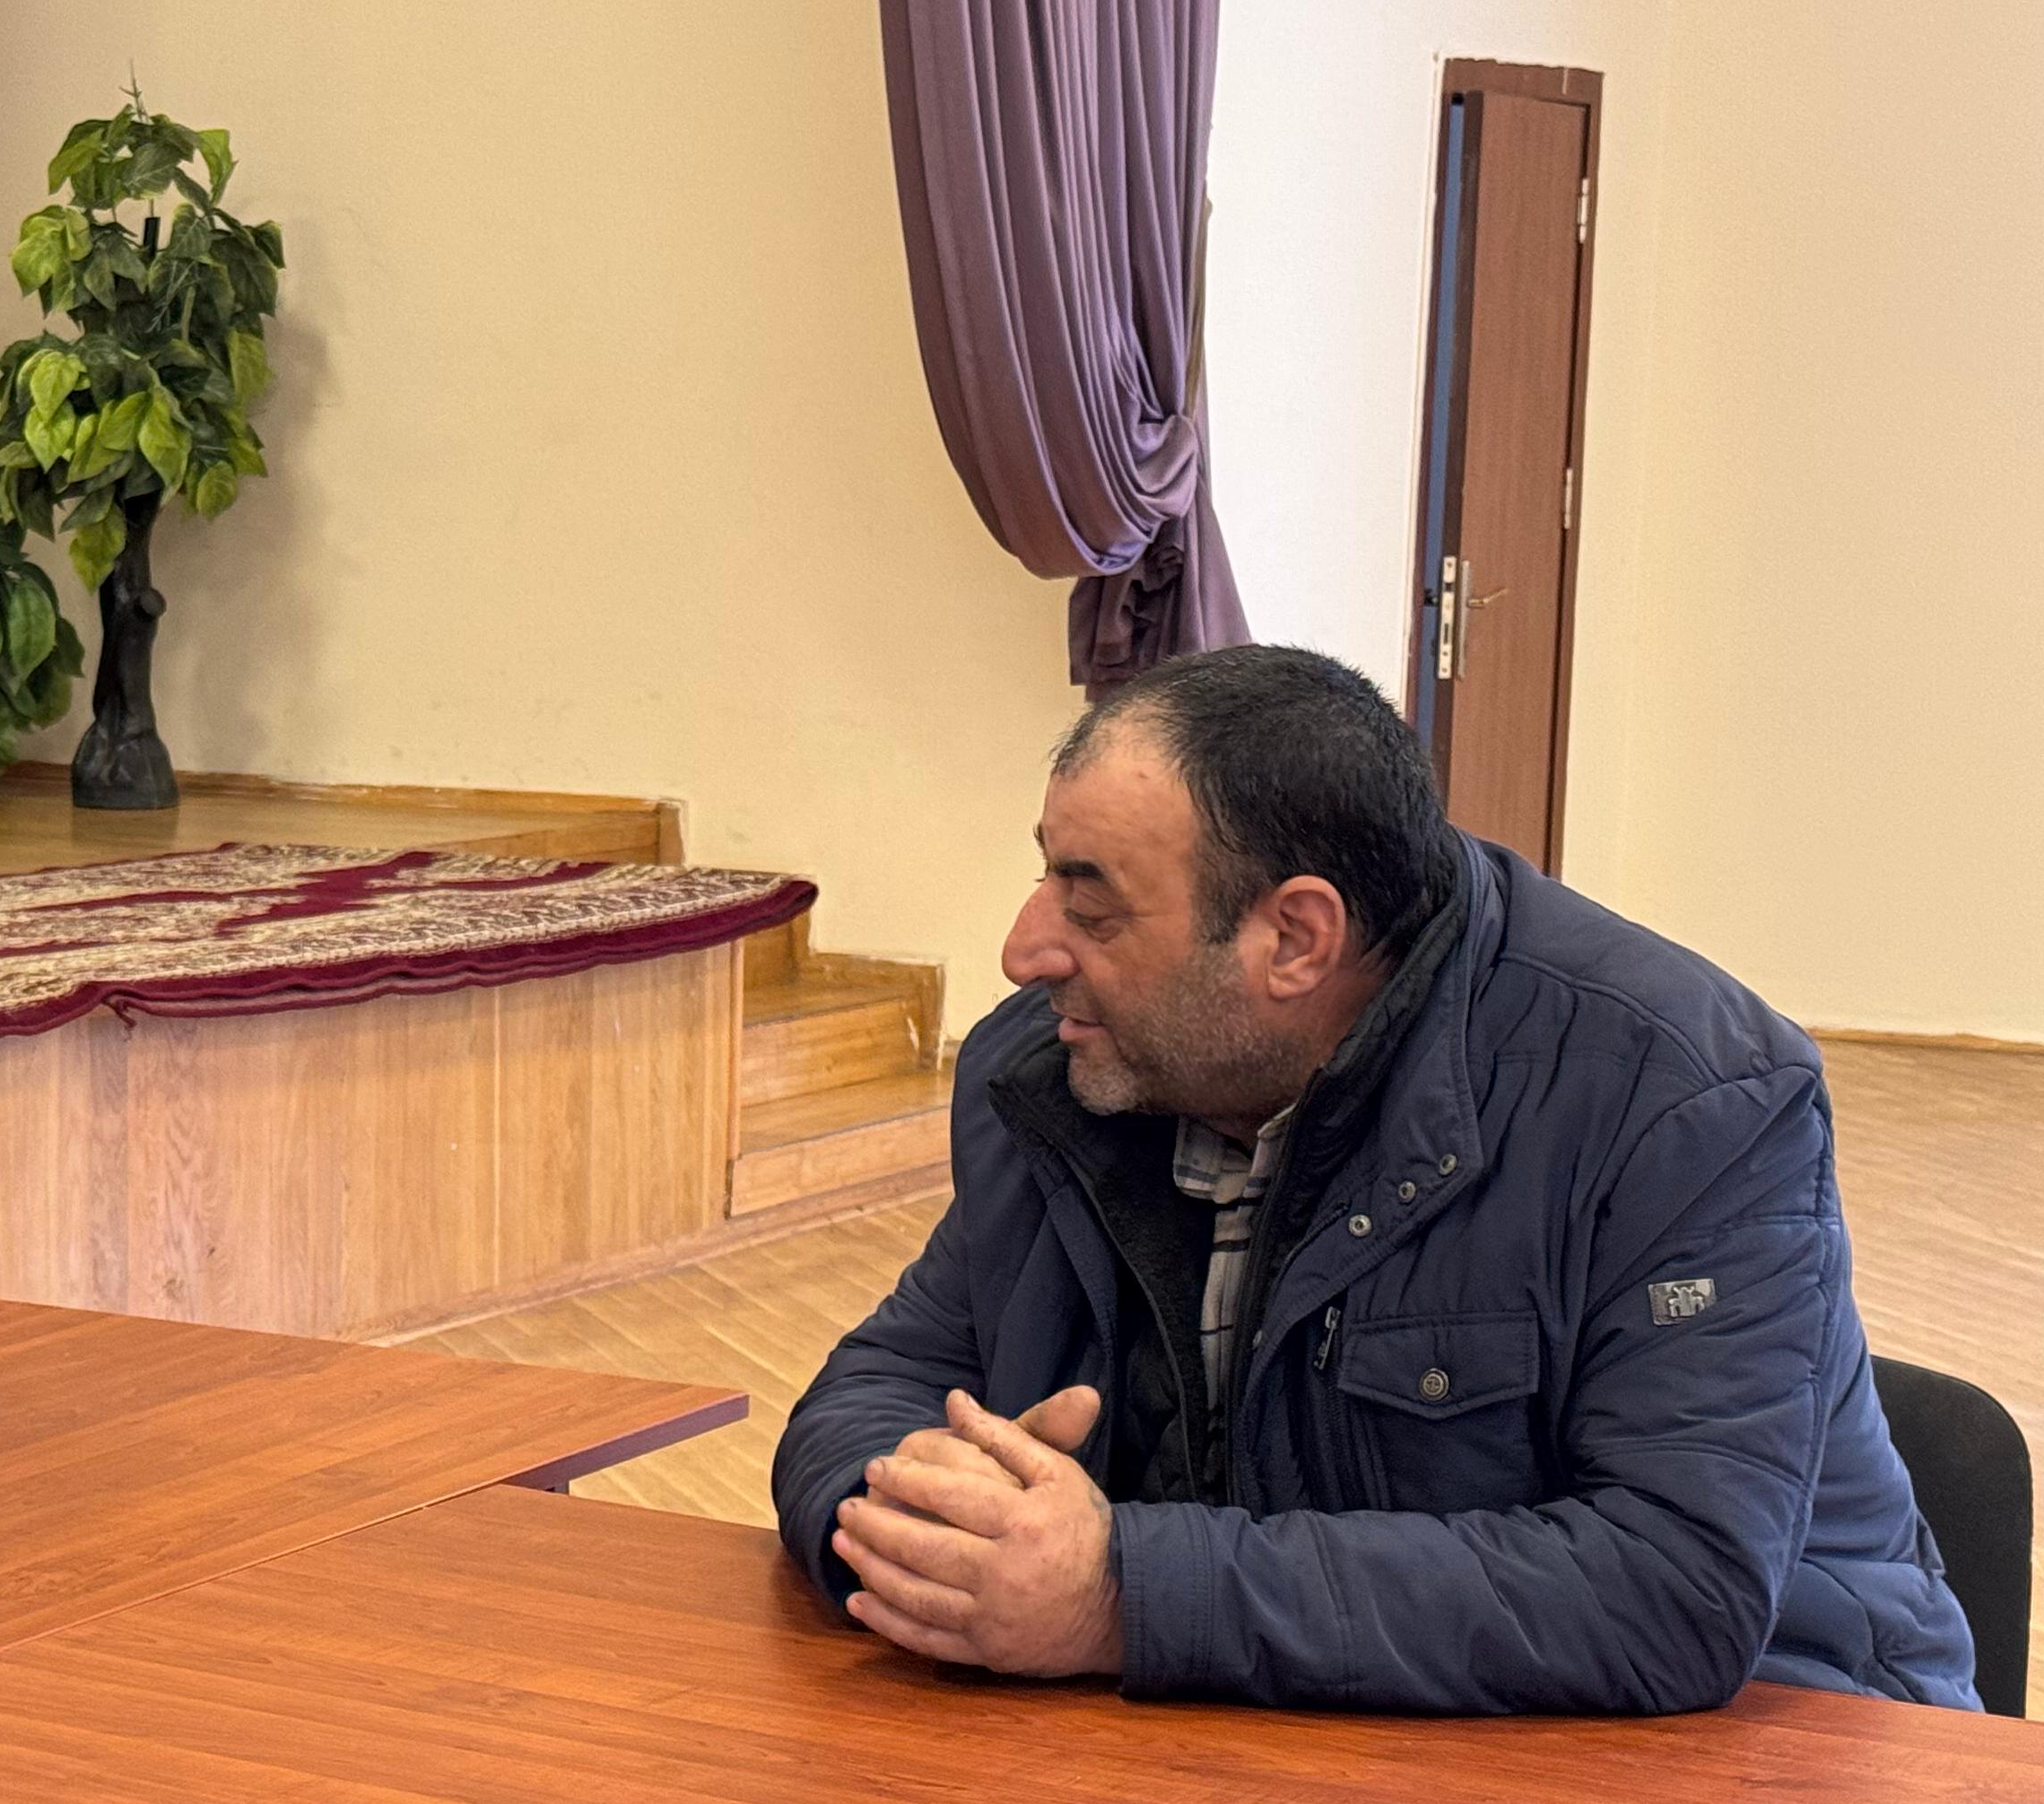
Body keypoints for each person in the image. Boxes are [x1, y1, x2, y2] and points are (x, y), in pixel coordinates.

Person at [772, 644, 1977, 1715]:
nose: (1023, 950)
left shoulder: (1683, 1097)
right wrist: (912, 1518)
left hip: (1759, 1767)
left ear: (1296, 938)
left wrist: (1122, 1597)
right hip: (1268, 1736)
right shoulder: (1059, 1074)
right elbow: (885, 1379)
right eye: (1046, 877)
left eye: (1093, 909)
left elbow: (1674, 1587)